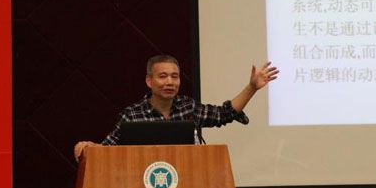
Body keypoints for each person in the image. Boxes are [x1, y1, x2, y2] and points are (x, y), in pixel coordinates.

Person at [73, 55, 279, 161]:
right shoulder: (132, 114)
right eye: (163, 76)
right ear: (149, 81)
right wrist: (89, 147)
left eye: (175, 76)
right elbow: (107, 151)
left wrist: (252, 87)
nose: (170, 82)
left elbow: (225, 113)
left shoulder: (188, 107)